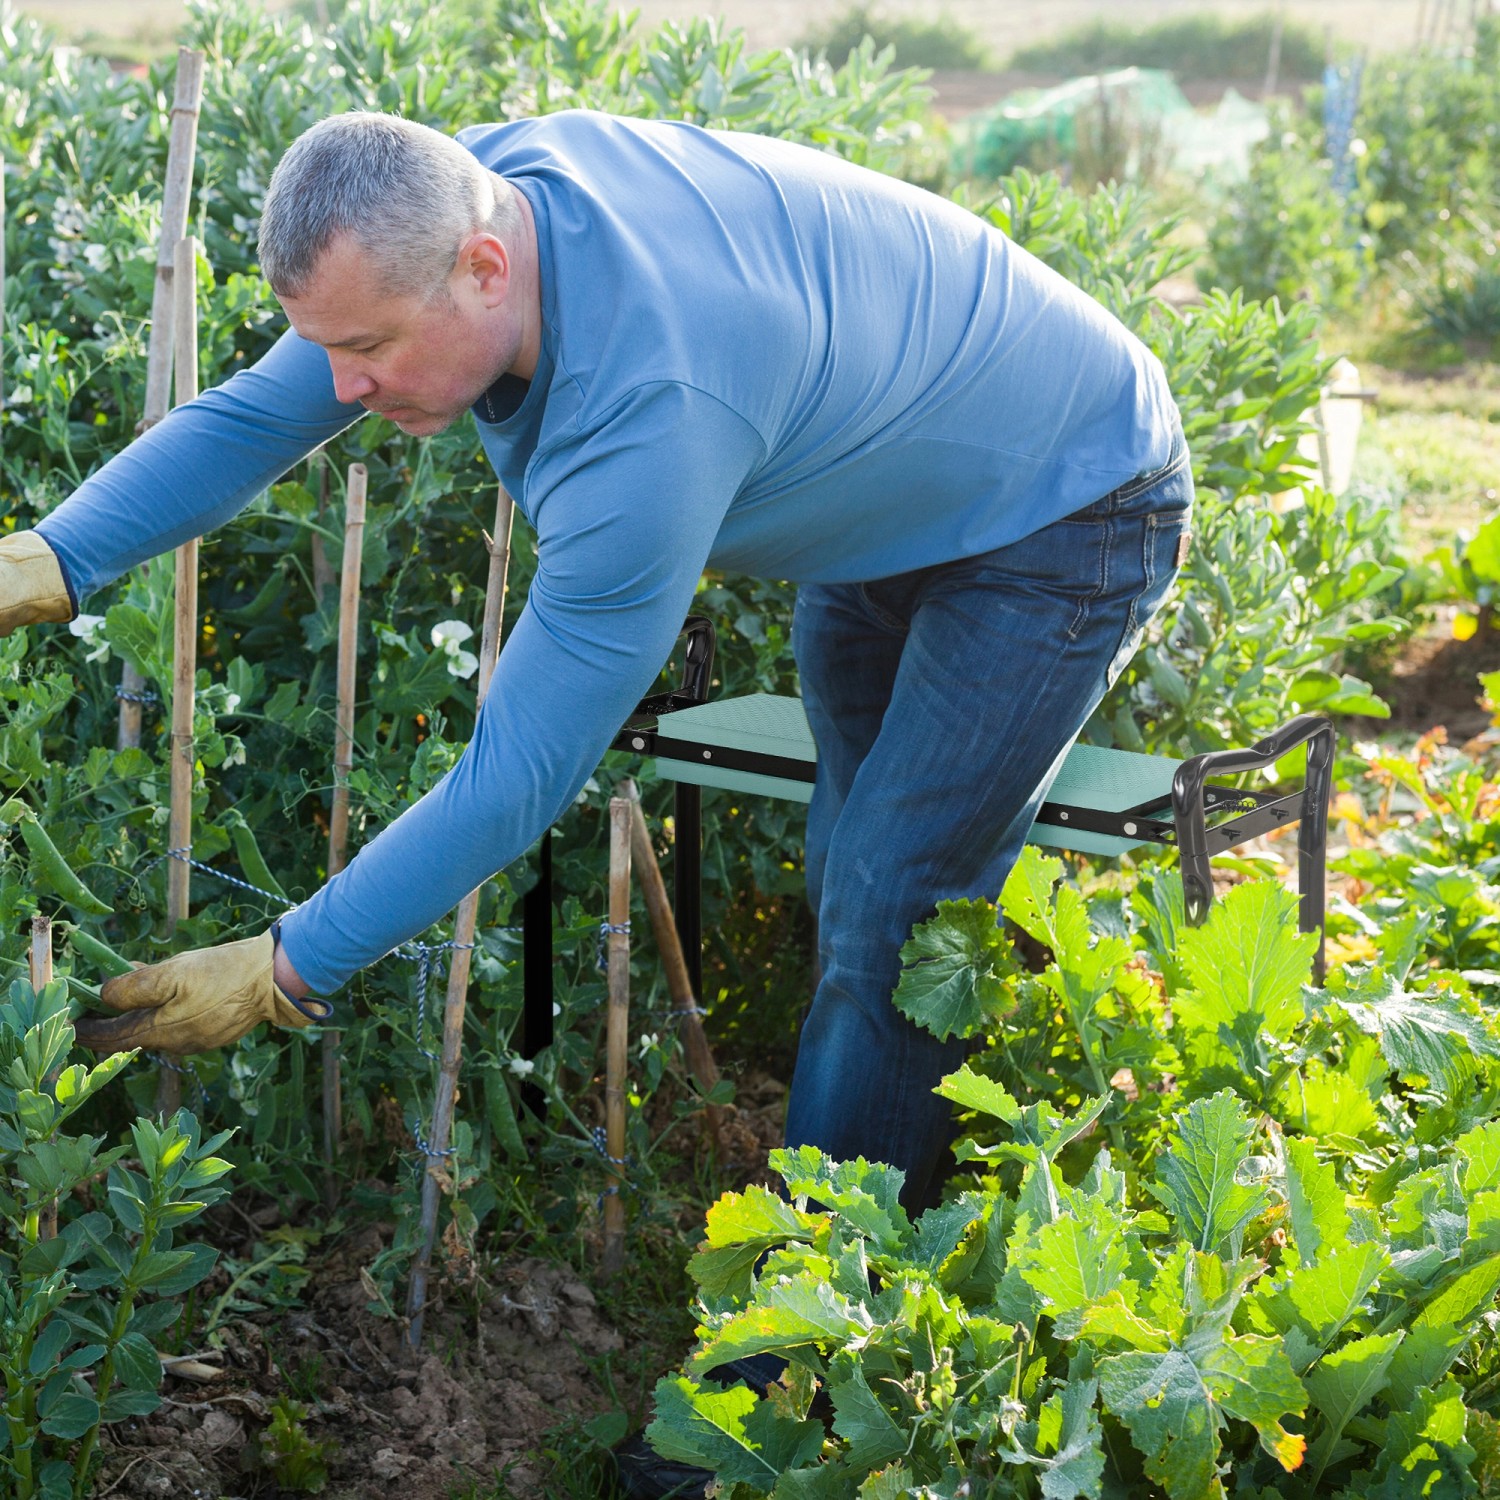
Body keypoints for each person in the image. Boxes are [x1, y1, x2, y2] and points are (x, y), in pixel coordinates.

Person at [0, 106, 1189, 1246]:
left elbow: (517, 774)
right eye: (330, 346)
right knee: (857, 865)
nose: (345, 388)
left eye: (366, 350)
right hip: (898, 472)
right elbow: (266, 408)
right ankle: (902, 1146)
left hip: (1066, 502)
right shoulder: (469, 198)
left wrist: (285, 967)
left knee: (897, 892)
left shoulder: (649, 421)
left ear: (480, 268)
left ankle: (815, 1344)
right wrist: (54, 556)